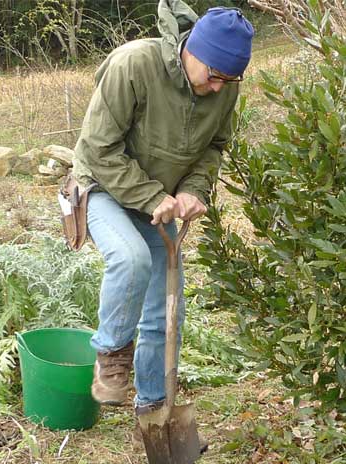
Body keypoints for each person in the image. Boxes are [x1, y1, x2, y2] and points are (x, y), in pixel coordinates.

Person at [70, 0, 254, 422]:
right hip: (102, 188)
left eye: (231, 79)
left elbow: (214, 147)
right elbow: (98, 149)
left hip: (160, 201)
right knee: (131, 259)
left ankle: (153, 408)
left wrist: (192, 189)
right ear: (194, 51)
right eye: (215, 76)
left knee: (166, 312)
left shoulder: (223, 85)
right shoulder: (134, 64)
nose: (220, 88)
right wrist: (153, 195)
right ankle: (111, 353)